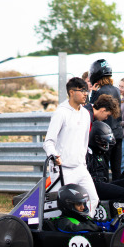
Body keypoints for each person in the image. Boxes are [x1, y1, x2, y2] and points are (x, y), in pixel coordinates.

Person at [43, 77, 99, 217]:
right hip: (63, 170)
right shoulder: (61, 113)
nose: (86, 94)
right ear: (72, 92)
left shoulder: (86, 114)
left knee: (93, 199)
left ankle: (83, 228)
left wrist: (84, 162)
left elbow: (84, 141)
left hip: (80, 167)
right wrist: (54, 156)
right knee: (58, 207)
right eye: (82, 91)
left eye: (86, 91)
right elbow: (48, 141)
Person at [87, 121, 124, 200]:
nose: (106, 145)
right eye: (103, 142)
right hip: (94, 187)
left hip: (103, 184)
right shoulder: (87, 154)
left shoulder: (100, 153)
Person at [89, 59, 123, 182]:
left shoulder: (101, 92)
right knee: (116, 168)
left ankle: (106, 193)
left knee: (103, 167)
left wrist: (92, 94)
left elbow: (92, 109)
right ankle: (117, 198)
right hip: (118, 133)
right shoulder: (116, 90)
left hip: (106, 135)